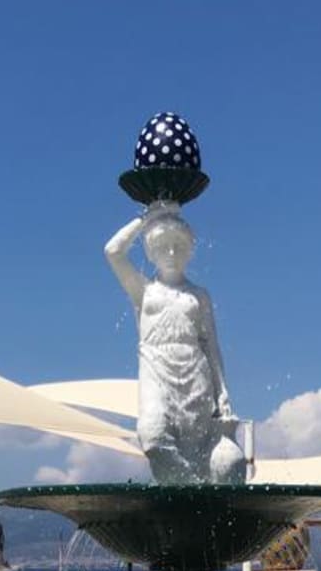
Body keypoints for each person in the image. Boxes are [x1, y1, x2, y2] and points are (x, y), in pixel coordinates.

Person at [105, 204, 246, 484]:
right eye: (162, 247)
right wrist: (148, 218)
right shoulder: (143, 291)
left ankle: (193, 500)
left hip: (196, 376)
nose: (171, 253)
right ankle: (189, 492)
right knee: (153, 435)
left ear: (188, 251)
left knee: (198, 451)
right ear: (151, 252)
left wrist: (223, 392)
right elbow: (113, 251)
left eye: (178, 247)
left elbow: (211, 346)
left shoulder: (199, 296)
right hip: (156, 370)